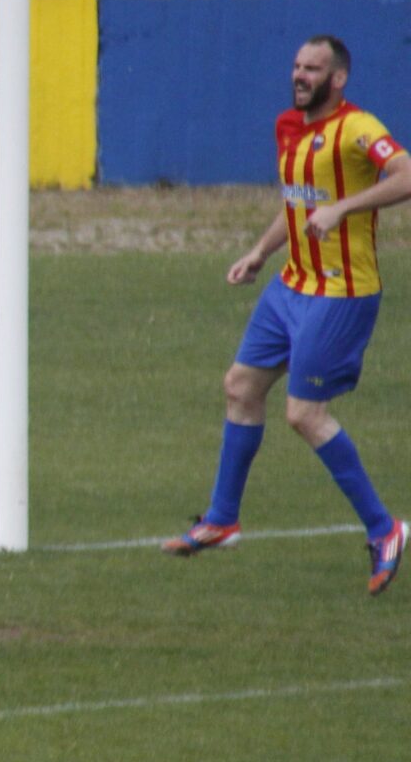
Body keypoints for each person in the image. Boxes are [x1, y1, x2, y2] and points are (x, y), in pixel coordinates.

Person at [164, 34, 407, 594]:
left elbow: (406, 174)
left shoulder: (358, 129)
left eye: (312, 68)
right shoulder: (288, 128)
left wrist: (344, 207)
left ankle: (384, 529)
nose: (300, 75)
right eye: (297, 66)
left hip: (340, 292)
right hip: (290, 286)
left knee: (305, 414)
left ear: (337, 78)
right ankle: (223, 520)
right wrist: (259, 252)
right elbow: (297, 203)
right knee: (241, 386)